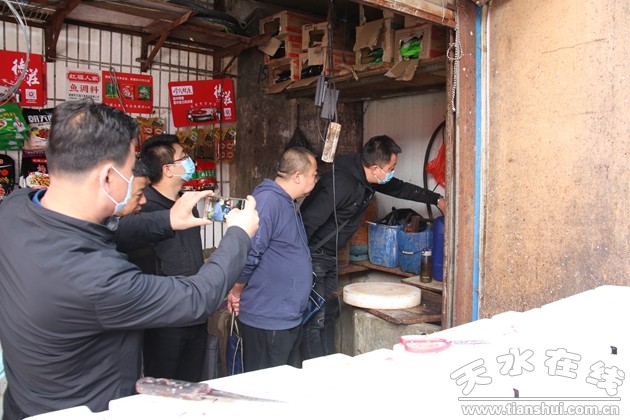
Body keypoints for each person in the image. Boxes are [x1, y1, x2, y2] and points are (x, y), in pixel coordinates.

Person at [0, 99, 259, 420]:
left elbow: (102, 232)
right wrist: (239, 235)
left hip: (23, 406)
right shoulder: (95, 277)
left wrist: (167, 220)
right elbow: (196, 298)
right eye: (129, 170)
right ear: (108, 177)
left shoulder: (15, 209)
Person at [299, 135, 446, 360]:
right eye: (391, 168)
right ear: (376, 168)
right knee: (315, 318)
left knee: (329, 312)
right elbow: (307, 222)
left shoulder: (367, 177)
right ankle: (315, 370)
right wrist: (298, 261)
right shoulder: (342, 184)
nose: (393, 172)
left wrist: (436, 199)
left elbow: (400, 188)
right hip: (312, 255)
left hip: (328, 255)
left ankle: (328, 363)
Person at [227, 147, 319, 372]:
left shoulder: (286, 201)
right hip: (268, 318)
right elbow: (250, 252)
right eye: (314, 174)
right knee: (266, 385)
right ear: (298, 177)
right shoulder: (268, 200)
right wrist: (237, 290)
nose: (316, 180)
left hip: (285, 316)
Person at [130, 134, 209, 382]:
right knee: (163, 386)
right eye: (183, 157)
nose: (190, 161)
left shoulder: (187, 203)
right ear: (167, 169)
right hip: (165, 318)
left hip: (196, 311)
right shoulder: (144, 208)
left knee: (193, 383)